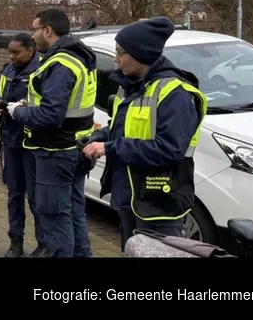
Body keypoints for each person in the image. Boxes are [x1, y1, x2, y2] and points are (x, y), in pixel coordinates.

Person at [83, 16, 207, 252]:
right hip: (132, 197)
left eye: (121, 52)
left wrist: (110, 148)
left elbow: (168, 149)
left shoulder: (175, 94)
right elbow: (124, 127)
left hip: (159, 202)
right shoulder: (132, 85)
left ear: (141, 53)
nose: (116, 59)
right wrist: (100, 137)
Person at [6, 8, 96, 258]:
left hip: (56, 152)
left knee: (55, 218)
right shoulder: (80, 56)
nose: (32, 36)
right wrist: (31, 105)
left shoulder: (60, 63)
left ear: (48, 30)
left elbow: (50, 116)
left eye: (35, 30)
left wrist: (17, 112)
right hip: (77, 148)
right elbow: (64, 107)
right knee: (74, 213)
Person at [0, 32, 46, 257]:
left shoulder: (41, 71)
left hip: (32, 143)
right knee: (14, 194)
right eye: (10, 52)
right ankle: (16, 242)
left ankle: (43, 243)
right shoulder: (7, 70)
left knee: (35, 196)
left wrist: (21, 106)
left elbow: (43, 104)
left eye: (16, 52)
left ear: (30, 50)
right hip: (10, 141)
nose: (11, 56)